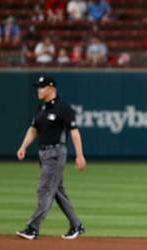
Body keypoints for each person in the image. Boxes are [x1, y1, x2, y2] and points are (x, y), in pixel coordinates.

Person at [16, 76, 87, 240]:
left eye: (41, 87)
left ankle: (33, 228)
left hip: (56, 153)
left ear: (51, 88)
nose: (38, 90)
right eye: (38, 87)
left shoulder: (63, 108)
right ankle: (76, 225)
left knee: (45, 189)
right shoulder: (41, 108)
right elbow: (33, 129)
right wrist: (23, 146)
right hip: (44, 154)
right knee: (56, 192)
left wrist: (80, 155)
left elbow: (74, 132)